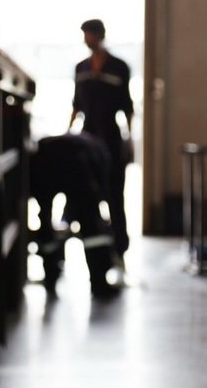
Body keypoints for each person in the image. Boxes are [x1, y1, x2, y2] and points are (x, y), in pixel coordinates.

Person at [70, 19, 134, 259]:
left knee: (115, 193)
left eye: (89, 34)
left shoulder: (119, 67)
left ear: (99, 35)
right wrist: (69, 135)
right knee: (88, 192)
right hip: (87, 138)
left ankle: (120, 247)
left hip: (110, 137)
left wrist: (128, 140)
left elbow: (127, 107)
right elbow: (76, 105)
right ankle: (95, 247)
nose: (87, 39)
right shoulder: (81, 68)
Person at [30, 132, 117, 297]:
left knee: (45, 219)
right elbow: (101, 196)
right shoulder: (102, 155)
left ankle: (50, 276)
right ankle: (99, 282)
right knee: (90, 223)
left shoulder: (88, 145)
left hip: (45, 160)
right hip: (77, 162)